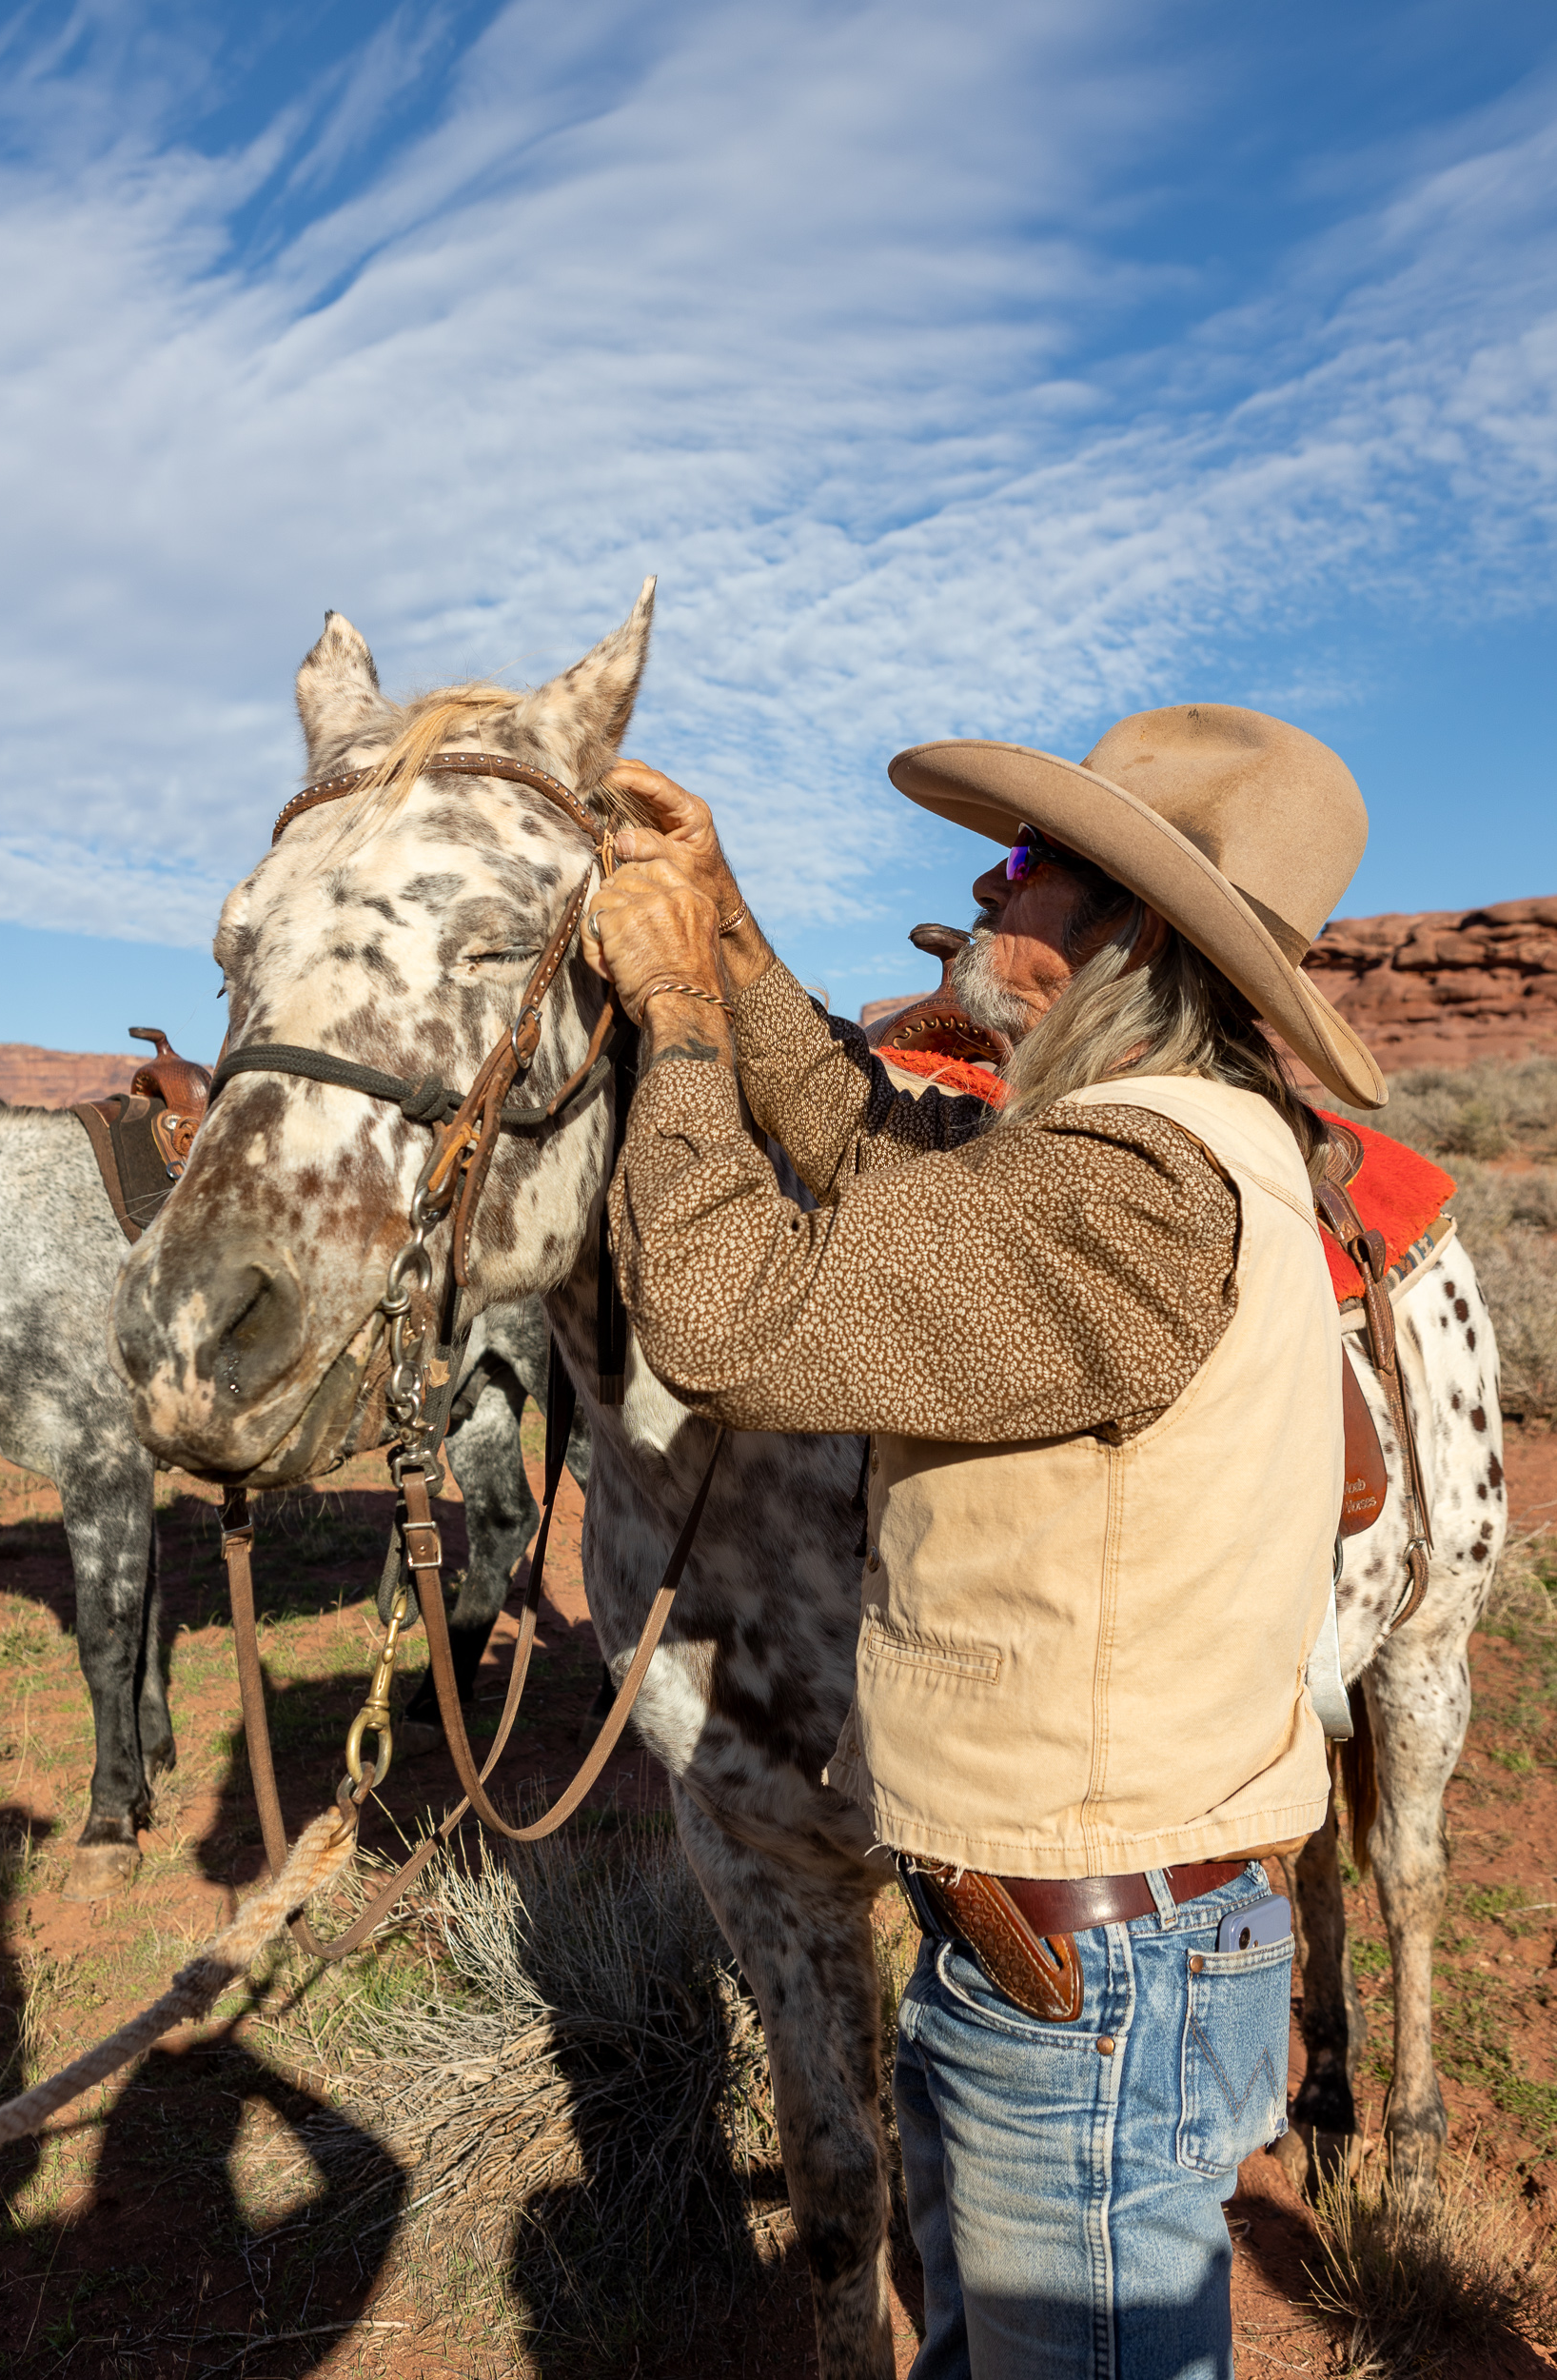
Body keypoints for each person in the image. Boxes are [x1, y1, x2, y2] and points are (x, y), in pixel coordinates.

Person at [581, 706, 1387, 2380]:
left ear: (1129, 934)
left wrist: (669, 1015)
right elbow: (872, 1146)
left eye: (1023, 865)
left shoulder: (1135, 1194)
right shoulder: (1150, 1148)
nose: (981, 882)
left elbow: (728, 1314)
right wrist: (724, 921)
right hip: (1064, 1943)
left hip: (1088, 1974)